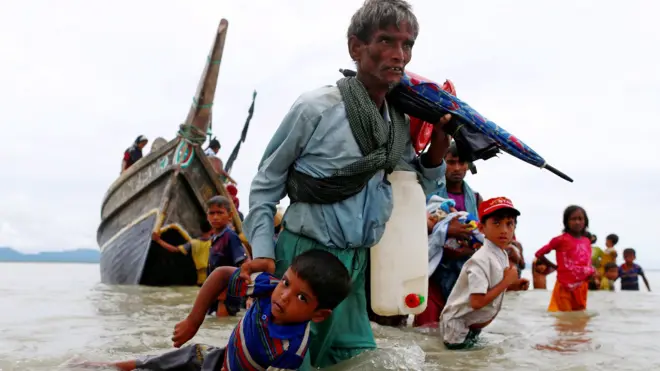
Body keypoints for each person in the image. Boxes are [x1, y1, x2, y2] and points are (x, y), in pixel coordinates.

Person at [241, 0, 452, 367]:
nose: (399, 55)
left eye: (407, 45)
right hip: (303, 261)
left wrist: (439, 145)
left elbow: (415, 188)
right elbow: (266, 182)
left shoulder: (396, 124)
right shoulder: (315, 108)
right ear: (356, 47)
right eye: (386, 41)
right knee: (286, 359)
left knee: (355, 360)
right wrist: (263, 251)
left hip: (354, 269)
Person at [86, 249, 352, 371]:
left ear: (318, 314)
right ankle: (100, 365)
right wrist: (194, 320)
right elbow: (223, 275)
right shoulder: (266, 288)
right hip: (216, 359)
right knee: (157, 362)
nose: (284, 296)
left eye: (301, 297)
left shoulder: (290, 350)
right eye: (286, 283)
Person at [439, 197, 529, 350]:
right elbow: (477, 302)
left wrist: (513, 285)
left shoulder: (501, 255)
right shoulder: (480, 261)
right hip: (457, 328)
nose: (504, 230)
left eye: (509, 224)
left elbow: (493, 287)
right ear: (481, 228)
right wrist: (506, 282)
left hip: (472, 325)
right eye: (496, 223)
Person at [415, 143, 483, 327]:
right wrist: (447, 230)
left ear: (468, 165)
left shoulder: (476, 199)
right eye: (451, 162)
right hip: (432, 271)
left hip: (462, 273)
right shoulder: (427, 194)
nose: (457, 168)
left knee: (459, 330)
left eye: (462, 163)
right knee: (426, 329)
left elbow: (483, 234)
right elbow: (411, 226)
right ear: (443, 164)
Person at [535, 205, 595, 312]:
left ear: (585, 221)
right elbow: (539, 254)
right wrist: (554, 266)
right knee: (564, 319)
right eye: (573, 219)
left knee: (579, 320)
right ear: (566, 221)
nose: (577, 222)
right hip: (564, 286)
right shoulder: (560, 240)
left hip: (581, 287)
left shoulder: (587, 241)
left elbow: (587, 261)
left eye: (580, 219)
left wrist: (591, 274)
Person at [205, 195, 249, 317]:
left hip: (225, 296)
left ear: (230, 216)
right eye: (211, 213)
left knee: (222, 322)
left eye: (220, 213)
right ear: (207, 216)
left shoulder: (230, 237)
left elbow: (243, 265)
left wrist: (226, 293)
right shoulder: (214, 239)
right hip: (215, 294)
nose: (215, 217)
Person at [151, 220, 214, 286]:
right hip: (214, 278)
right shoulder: (216, 241)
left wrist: (158, 240)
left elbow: (174, 249)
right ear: (212, 230)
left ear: (201, 230)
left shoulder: (193, 243)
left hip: (201, 281)